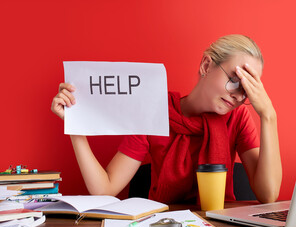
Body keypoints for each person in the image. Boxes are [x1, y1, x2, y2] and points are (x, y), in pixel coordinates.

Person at [51, 34, 282, 204]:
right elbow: (105, 189)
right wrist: (75, 125)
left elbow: (268, 194)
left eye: (248, 90)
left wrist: (268, 115)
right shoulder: (153, 108)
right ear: (206, 65)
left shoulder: (238, 117)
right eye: (235, 79)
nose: (238, 95)